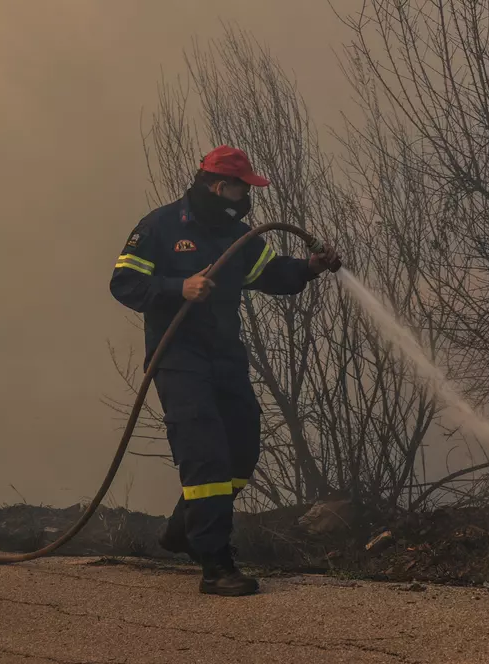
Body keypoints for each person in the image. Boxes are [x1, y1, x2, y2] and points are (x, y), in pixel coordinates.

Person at [109, 145, 339, 596]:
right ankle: (215, 564)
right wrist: (180, 287)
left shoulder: (238, 238)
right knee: (206, 454)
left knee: (242, 451)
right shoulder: (158, 226)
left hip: (225, 356)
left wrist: (310, 268)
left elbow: (271, 274)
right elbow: (124, 282)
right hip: (178, 359)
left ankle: (184, 529)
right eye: (242, 186)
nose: (247, 195)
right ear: (219, 186)